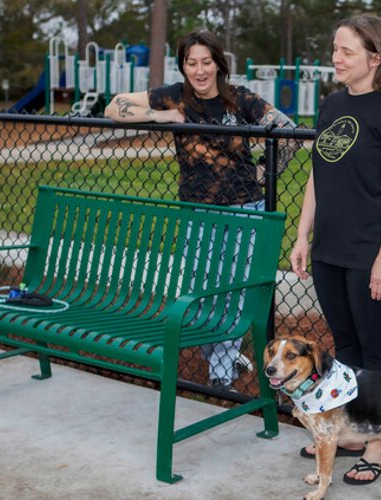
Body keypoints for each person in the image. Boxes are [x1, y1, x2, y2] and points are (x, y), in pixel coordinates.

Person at [105, 30, 299, 391]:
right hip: (197, 210)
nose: (200, 70)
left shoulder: (239, 98)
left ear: (218, 64)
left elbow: (288, 130)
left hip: (245, 209)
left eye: (206, 62)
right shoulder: (174, 97)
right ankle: (222, 356)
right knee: (200, 289)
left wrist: (264, 172)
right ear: (183, 66)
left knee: (235, 291)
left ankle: (221, 373)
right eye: (191, 63)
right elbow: (113, 106)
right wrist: (160, 117)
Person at [289, 15, 381, 485]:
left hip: (371, 251)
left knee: (376, 349)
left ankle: (376, 445)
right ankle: (347, 432)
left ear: (375, 56)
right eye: (334, 49)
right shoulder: (331, 105)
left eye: (346, 51)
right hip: (329, 248)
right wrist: (302, 234)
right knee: (344, 346)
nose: (336, 58)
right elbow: (316, 174)